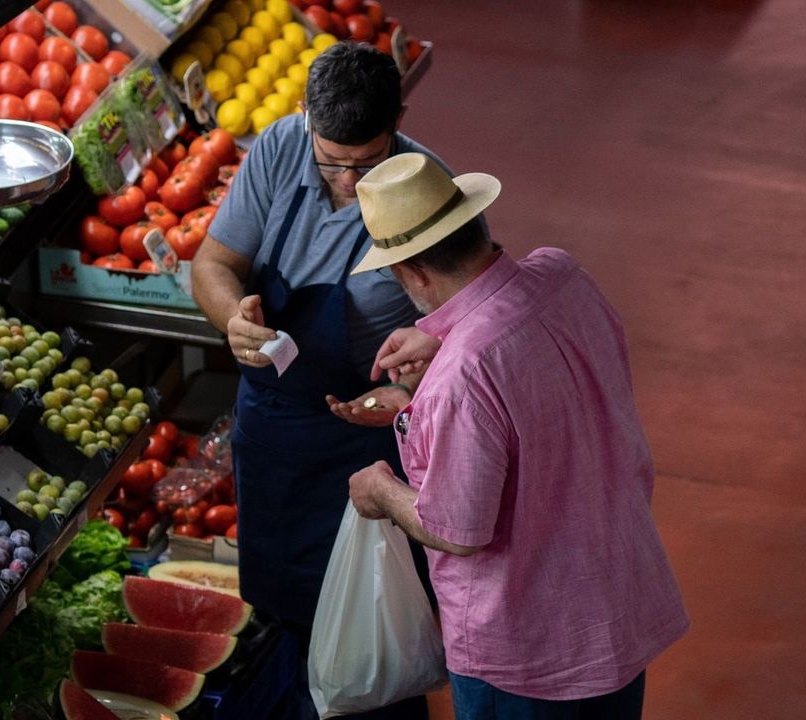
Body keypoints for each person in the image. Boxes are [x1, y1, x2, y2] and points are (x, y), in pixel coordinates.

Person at [340, 152, 690, 719]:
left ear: (414, 273)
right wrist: (443, 345)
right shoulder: (563, 275)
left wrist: (380, 489)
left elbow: (457, 530)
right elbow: (525, 347)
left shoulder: (463, 375)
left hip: (529, 655)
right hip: (616, 606)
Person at [192, 42, 449, 719]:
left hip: (362, 442)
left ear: (398, 123)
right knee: (285, 610)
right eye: (331, 158)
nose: (346, 178)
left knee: (371, 629)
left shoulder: (427, 190)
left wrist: (415, 390)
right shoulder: (279, 148)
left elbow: (471, 331)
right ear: (306, 116)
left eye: (365, 161)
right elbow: (214, 263)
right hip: (273, 426)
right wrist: (233, 321)